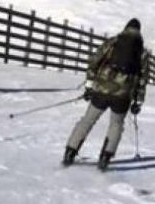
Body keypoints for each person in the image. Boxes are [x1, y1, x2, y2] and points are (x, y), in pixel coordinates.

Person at [63, 18, 150, 171]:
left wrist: (89, 86)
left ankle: (70, 151)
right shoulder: (142, 52)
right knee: (116, 124)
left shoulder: (112, 42)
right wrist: (138, 102)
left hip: (101, 90)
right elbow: (142, 80)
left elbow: (94, 62)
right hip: (123, 95)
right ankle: (105, 157)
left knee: (88, 120)